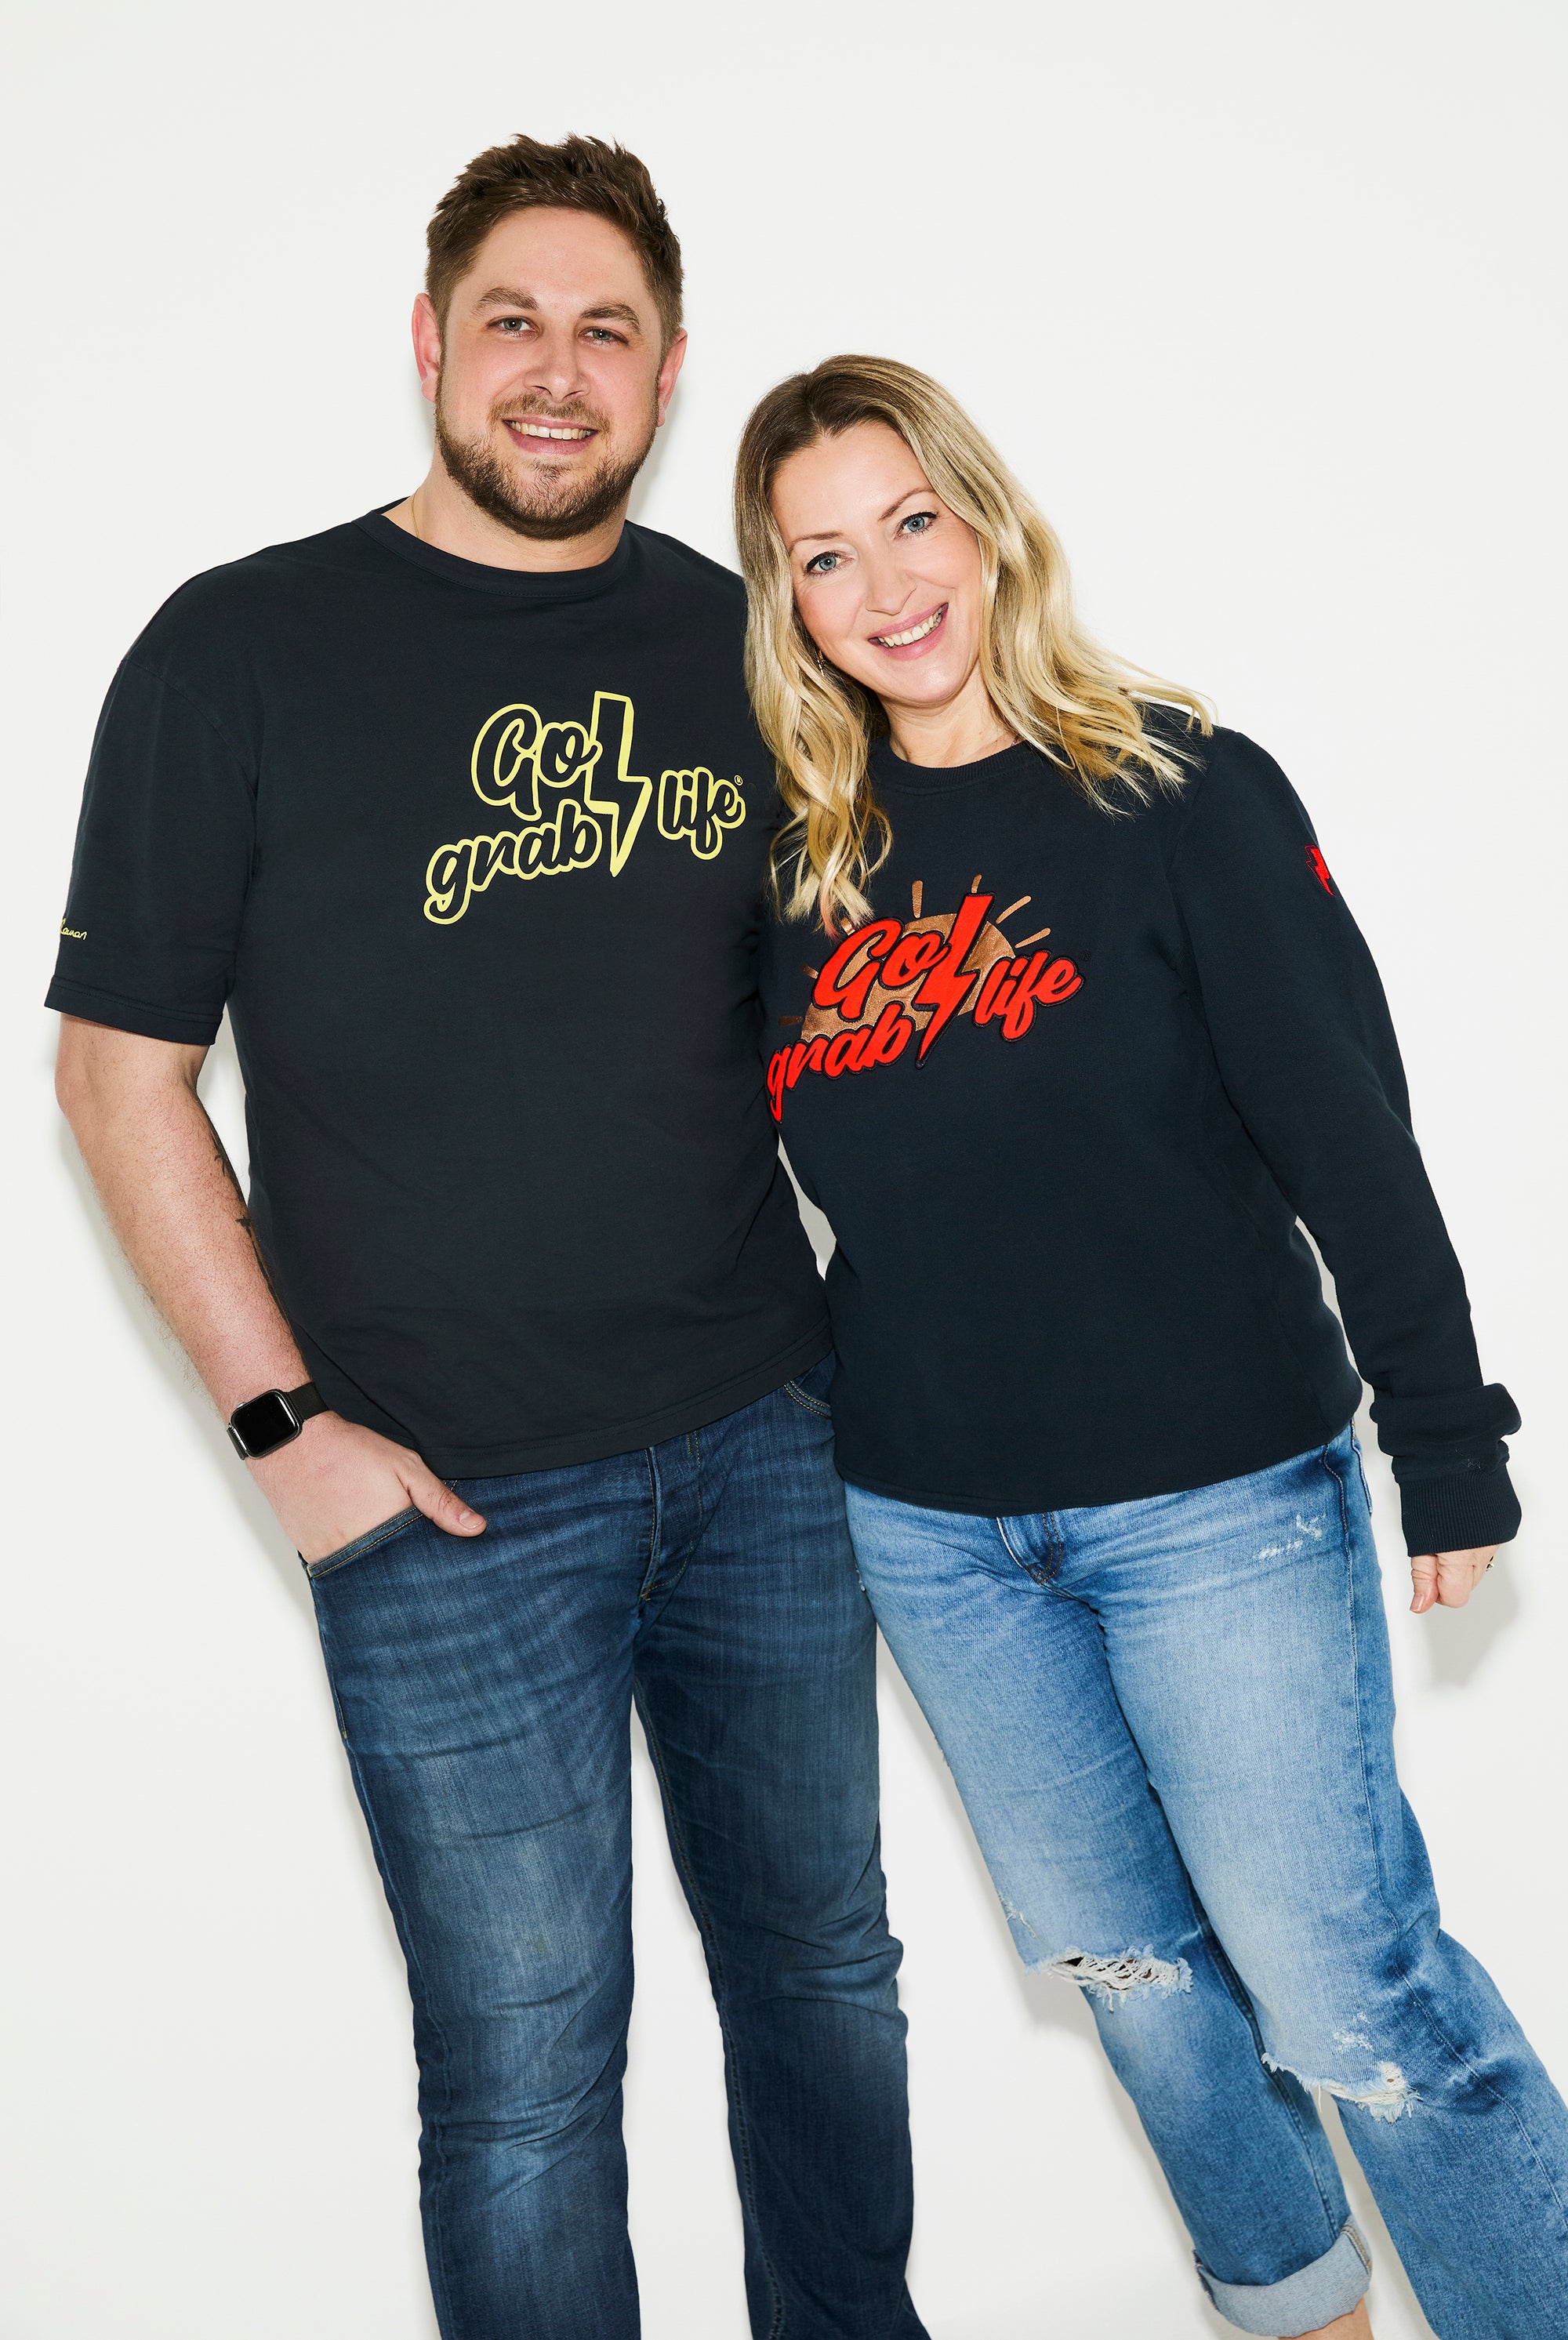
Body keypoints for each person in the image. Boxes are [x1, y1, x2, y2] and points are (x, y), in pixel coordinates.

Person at [47, 148, 926, 2340]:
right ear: (431, 341)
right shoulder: (236, 649)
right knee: (526, 2079)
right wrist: (286, 1432)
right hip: (440, 1497)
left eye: (606, 328)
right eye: (513, 320)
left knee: (826, 1975)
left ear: (669, 369)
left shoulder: (741, 646)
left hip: (767, 1442)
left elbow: (887, 1000)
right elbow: (118, 1074)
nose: (558, 371)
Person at [735, 354, 1568, 2340]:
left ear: (987, 519)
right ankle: (1304, 2319)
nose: (885, 587)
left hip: (1219, 1504)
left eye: (911, 521)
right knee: (1142, 1986)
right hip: (935, 1531)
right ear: (787, 603)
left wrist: (1443, 1436)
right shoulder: (798, 871)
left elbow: (1349, 1132)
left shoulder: (1178, 789)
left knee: (1352, 1993)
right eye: (824, 557)